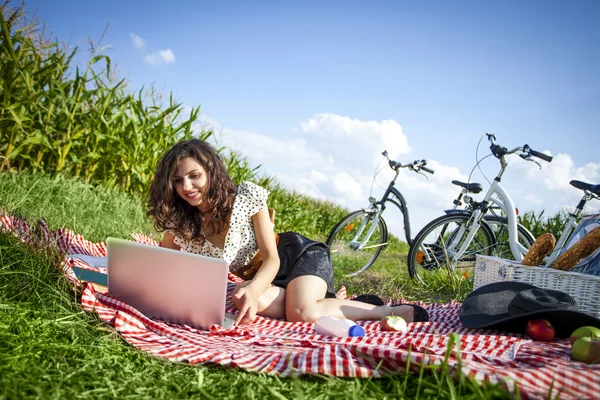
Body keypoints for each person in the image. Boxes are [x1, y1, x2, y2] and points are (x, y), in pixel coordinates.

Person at [147, 139, 429, 326]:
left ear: (210, 171)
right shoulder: (180, 222)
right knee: (241, 295)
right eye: (177, 180)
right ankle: (343, 306)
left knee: (300, 313)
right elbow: (170, 267)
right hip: (261, 276)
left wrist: (255, 287)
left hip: (296, 256)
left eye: (194, 175)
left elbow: (272, 259)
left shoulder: (246, 197)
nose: (186, 186)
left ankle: (385, 311)